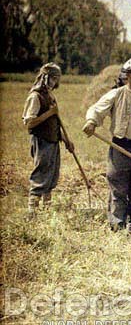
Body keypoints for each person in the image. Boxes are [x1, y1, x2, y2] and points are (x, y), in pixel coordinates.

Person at [83, 59, 131, 233]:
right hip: (120, 148)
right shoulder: (116, 94)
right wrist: (91, 122)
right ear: (128, 76)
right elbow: (97, 109)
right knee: (118, 190)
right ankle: (117, 228)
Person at [22, 63, 74, 216]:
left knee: (51, 176)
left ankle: (46, 211)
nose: (56, 82)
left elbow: (55, 122)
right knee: (41, 175)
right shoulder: (35, 96)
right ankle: (32, 213)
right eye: (54, 78)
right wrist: (50, 113)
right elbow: (29, 123)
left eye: (57, 78)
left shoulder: (50, 95)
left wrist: (66, 140)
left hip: (53, 140)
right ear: (46, 77)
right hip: (42, 141)